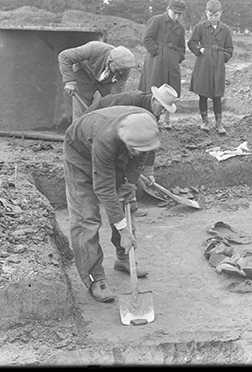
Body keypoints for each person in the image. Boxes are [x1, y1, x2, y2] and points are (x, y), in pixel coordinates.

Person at [63, 106, 160, 302]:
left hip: (113, 148)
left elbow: (138, 160)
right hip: (79, 151)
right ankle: (94, 277)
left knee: (126, 201)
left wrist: (129, 184)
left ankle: (124, 258)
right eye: (134, 149)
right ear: (125, 140)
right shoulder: (106, 139)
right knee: (86, 217)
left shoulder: (147, 127)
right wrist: (124, 231)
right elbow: (104, 188)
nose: (136, 153)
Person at [80, 84, 179, 219]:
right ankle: (115, 211)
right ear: (154, 100)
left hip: (121, 137)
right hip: (96, 131)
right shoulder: (128, 100)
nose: (163, 112)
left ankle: (130, 207)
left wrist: (148, 171)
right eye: (162, 108)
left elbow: (149, 142)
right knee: (115, 172)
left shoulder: (151, 116)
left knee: (130, 176)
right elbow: (107, 120)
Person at [138, 0, 187, 130]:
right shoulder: (157, 20)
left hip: (172, 65)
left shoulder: (180, 28)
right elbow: (146, 38)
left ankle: (167, 120)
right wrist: (157, 52)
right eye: (174, 13)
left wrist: (178, 57)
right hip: (156, 63)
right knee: (154, 90)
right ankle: (150, 120)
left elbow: (182, 47)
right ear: (168, 9)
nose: (176, 17)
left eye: (179, 14)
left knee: (170, 91)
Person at [187, 0, 234, 135]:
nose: (213, 18)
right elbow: (191, 42)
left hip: (218, 66)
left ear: (221, 13)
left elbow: (229, 48)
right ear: (206, 13)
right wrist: (200, 50)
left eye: (216, 15)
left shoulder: (225, 29)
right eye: (210, 15)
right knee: (203, 94)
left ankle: (219, 123)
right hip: (203, 64)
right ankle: (205, 121)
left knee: (217, 95)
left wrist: (223, 57)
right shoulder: (199, 27)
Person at [58, 41, 136, 119]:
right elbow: (64, 56)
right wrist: (70, 82)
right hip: (84, 75)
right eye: (119, 68)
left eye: (123, 70)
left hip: (106, 82)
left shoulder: (125, 67)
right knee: (80, 113)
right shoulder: (93, 49)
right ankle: (78, 128)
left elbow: (117, 89)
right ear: (110, 61)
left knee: (107, 109)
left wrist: (113, 106)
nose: (121, 72)